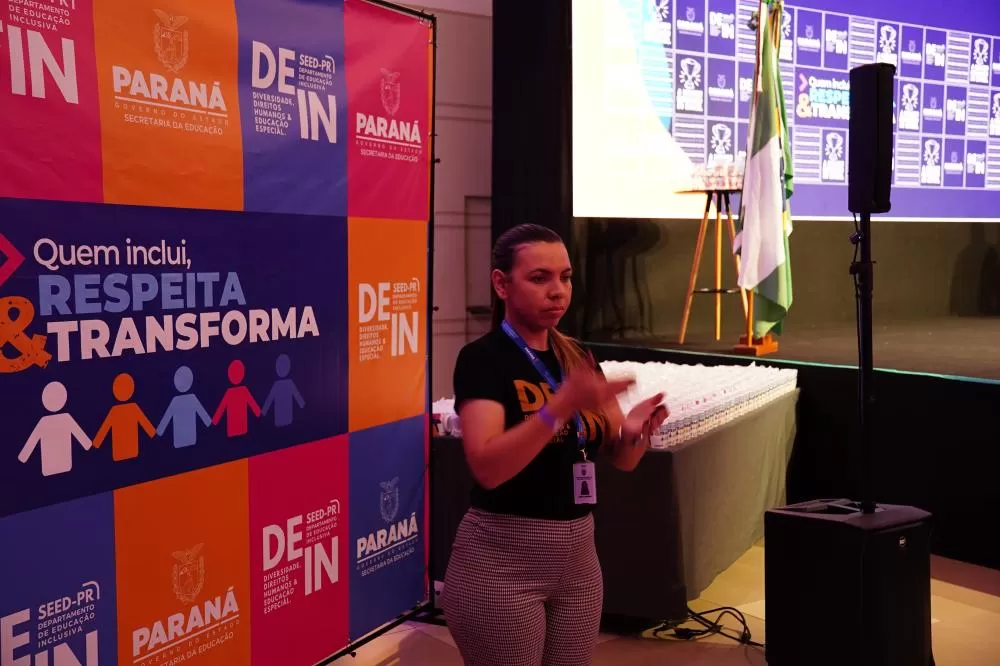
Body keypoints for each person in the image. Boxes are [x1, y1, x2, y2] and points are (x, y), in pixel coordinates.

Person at [441, 224, 669, 666]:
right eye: (539, 278)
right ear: (501, 284)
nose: (558, 291)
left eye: (565, 277)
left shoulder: (576, 355)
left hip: (579, 561)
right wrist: (559, 407)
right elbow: (487, 467)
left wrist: (635, 431)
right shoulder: (483, 359)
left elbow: (621, 458)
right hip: (501, 562)